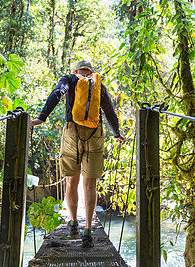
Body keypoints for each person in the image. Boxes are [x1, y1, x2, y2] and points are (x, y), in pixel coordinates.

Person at [30, 60, 125, 248]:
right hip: (94, 133)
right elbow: (109, 111)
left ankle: (73, 223)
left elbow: (57, 94)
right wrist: (116, 133)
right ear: (91, 71)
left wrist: (42, 117)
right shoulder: (98, 85)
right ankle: (88, 230)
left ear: (76, 70)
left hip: (72, 132)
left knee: (71, 181)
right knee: (90, 183)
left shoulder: (70, 79)